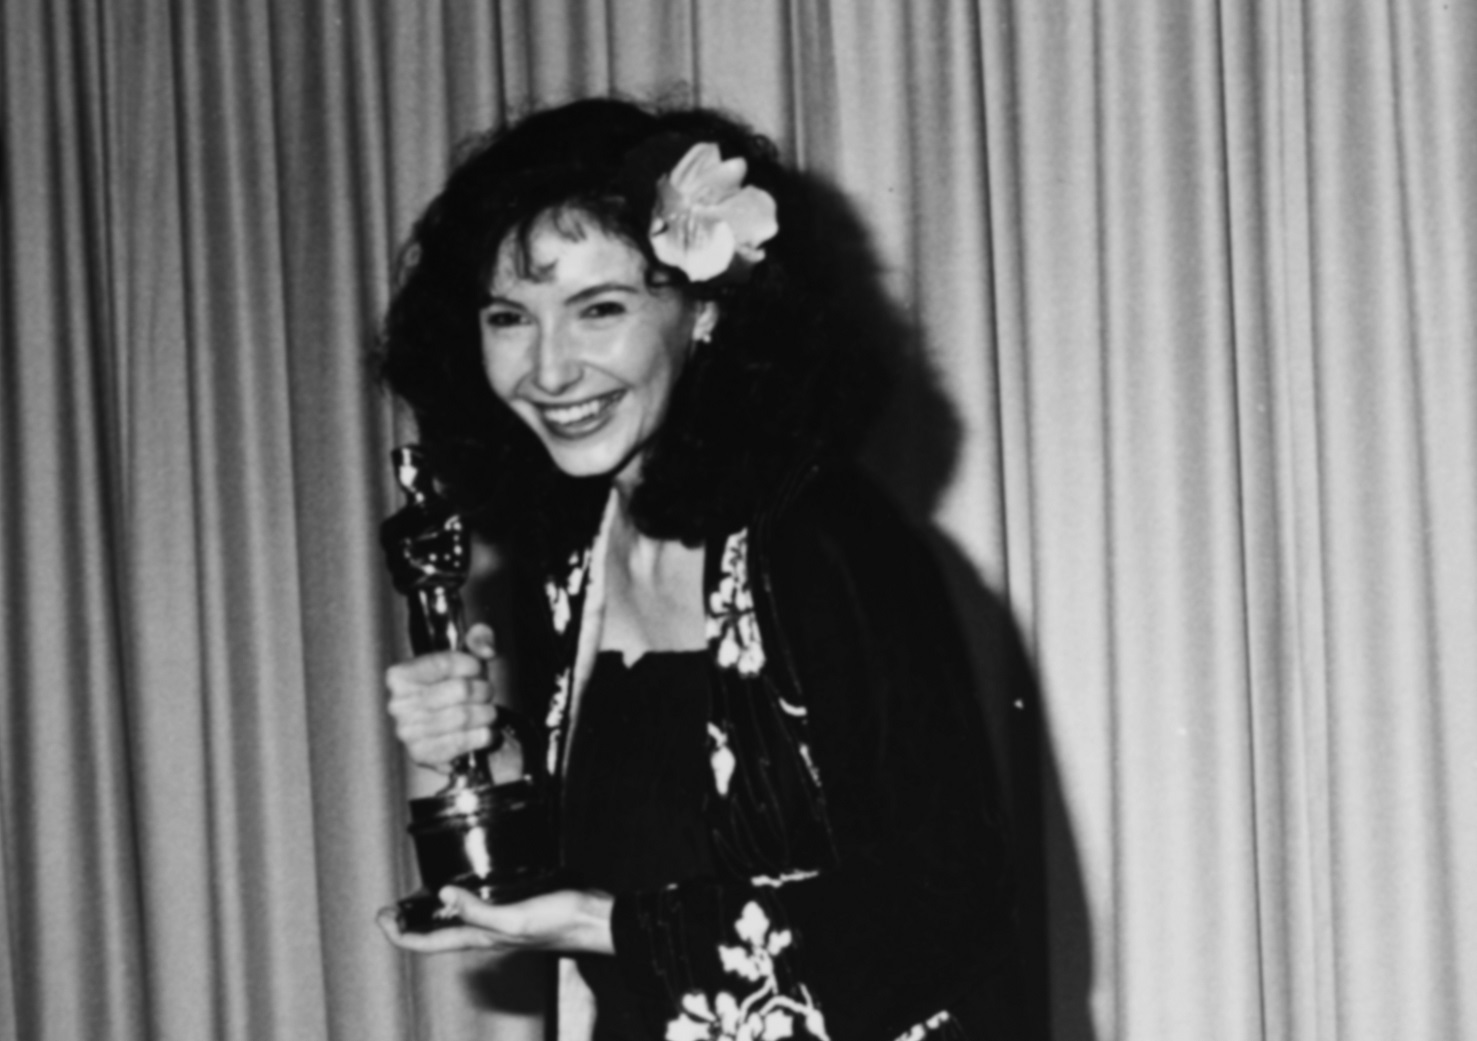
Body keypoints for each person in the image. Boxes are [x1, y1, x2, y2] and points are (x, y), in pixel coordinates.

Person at [376, 97, 1026, 1041]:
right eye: (509, 316)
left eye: (600, 309)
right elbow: (633, 834)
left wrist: (604, 924)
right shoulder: (570, 546)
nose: (549, 370)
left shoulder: (828, 541)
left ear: (707, 310)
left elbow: (948, 906)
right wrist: (487, 752)